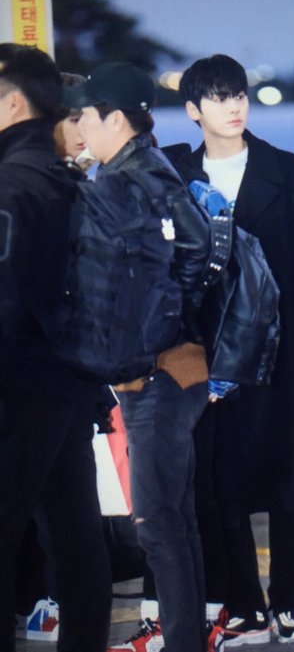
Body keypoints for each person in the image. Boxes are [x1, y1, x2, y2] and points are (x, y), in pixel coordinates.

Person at [174, 54, 294, 646]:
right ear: (193, 110)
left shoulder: (287, 172)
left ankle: (289, 602)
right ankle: (242, 602)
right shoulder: (175, 172)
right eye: (219, 97)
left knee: (289, 480)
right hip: (206, 352)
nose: (234, 107)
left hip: (281, 348)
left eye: (239, 95)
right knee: (220, 482)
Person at [68, 61, 211, 652]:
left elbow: (105, 279)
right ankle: (188, 638)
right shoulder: (155, 168)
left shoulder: (122, 181)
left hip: (153, 374)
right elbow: (198, 248)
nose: (79, 126)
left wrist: (151, 330)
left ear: (116, 119)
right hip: (180, 365)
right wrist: (175, 315)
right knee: (176, 518)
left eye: (85, 115)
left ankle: (183, 643)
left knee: (157, 523)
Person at [0, 43, 112, 652]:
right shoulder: (67, 182)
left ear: (14, 104)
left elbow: (7, 297)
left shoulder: (11, 182)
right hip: (69, 383)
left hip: (17, 389)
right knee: (75, 536)